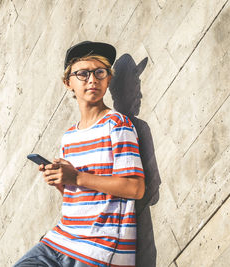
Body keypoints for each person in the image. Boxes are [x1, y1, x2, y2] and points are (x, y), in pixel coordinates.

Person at [14, 41, 145, 267]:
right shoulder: (69, 136)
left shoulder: (117, 124)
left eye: (100, 72)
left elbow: (135, 188)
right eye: (83, 74)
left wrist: (75, 177)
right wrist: (60, 181)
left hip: (100, 248)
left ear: (108, 79)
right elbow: (78, 195)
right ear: (68, 83)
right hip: (60, 239)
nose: (92, 79)